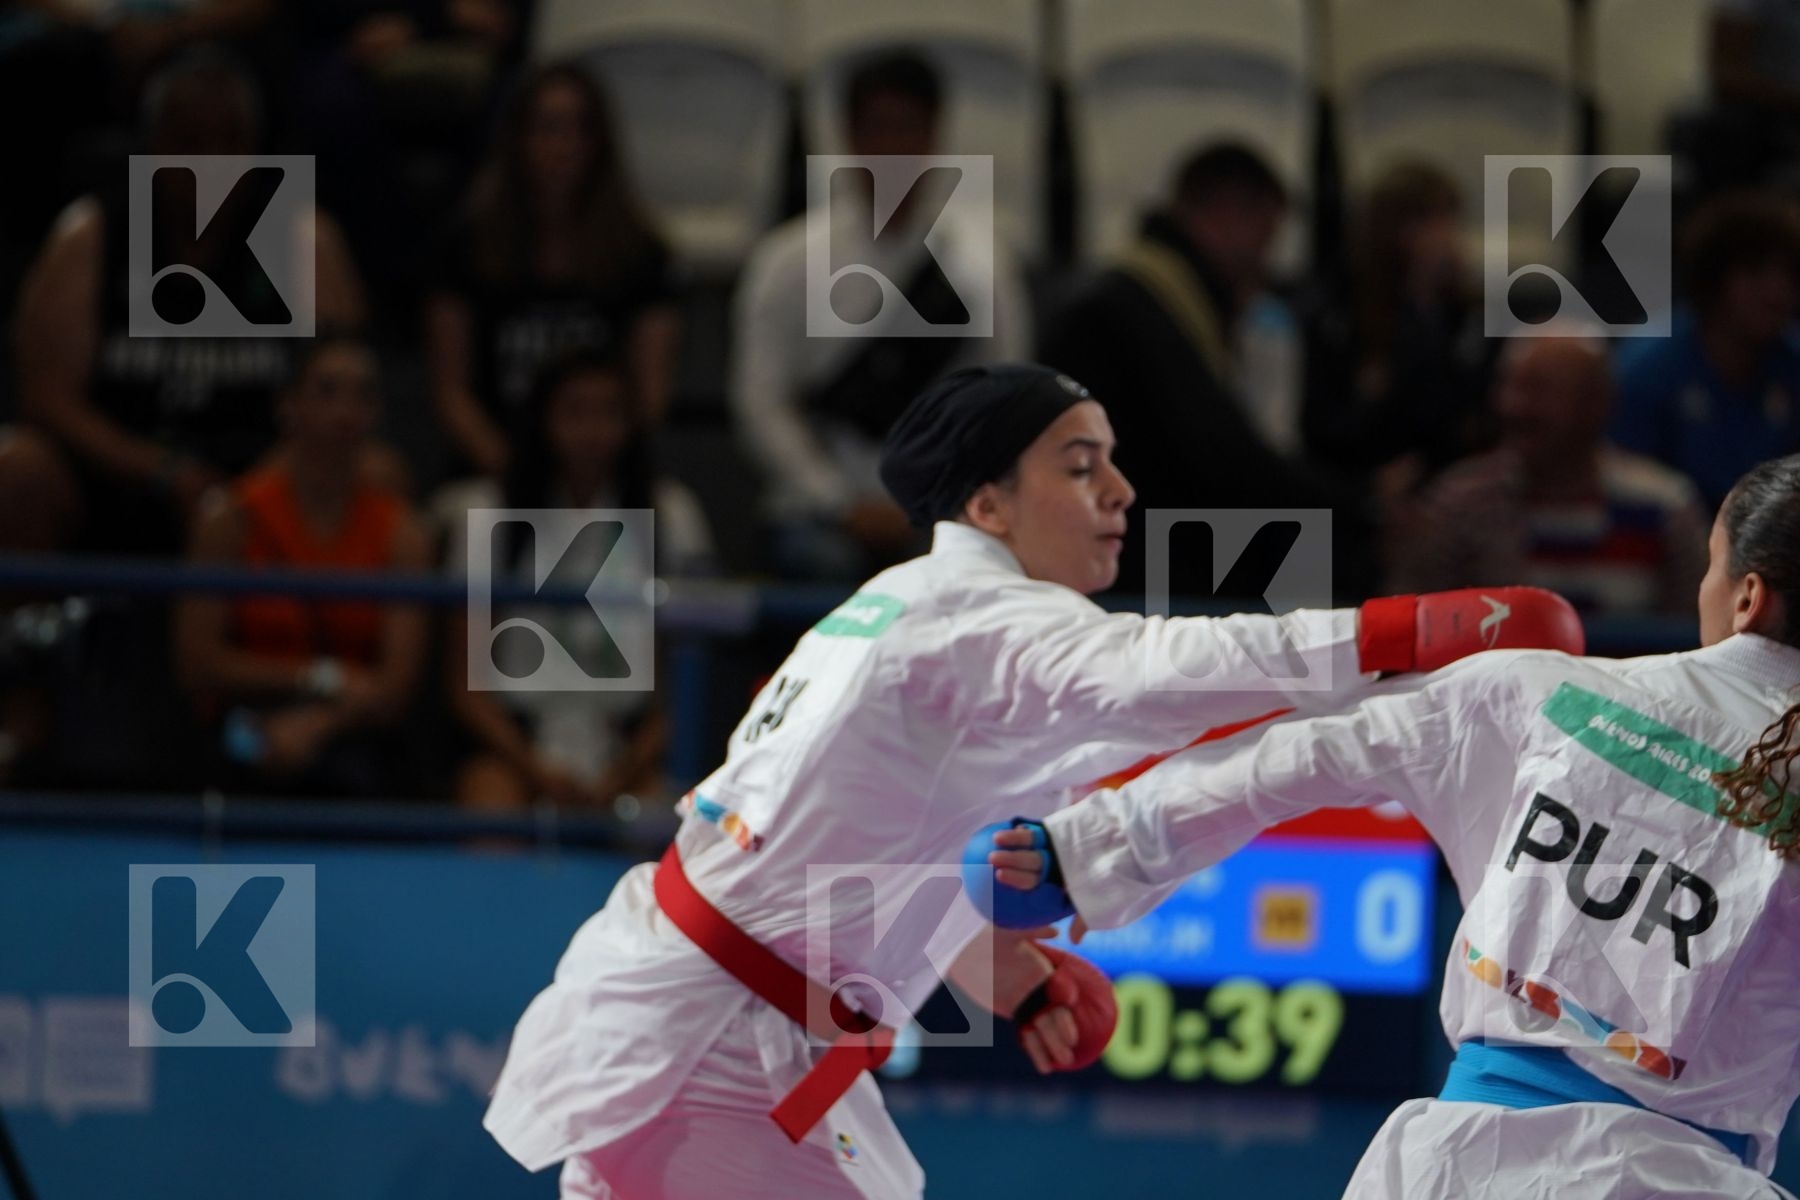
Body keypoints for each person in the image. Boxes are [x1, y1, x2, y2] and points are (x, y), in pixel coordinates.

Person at [482, 363, 1584, 1199]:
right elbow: (1172, 673)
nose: (1120, 488)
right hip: (717, 1044)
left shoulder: (909, 607)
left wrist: (1009, 971)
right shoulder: (975, 614)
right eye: (1078, 464)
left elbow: (853, 849)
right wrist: (1420, 628)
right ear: (988, 504)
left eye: (1111, 459)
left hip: (713, 1022)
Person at [988, 453, 1800, 1198]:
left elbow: (1295, 758)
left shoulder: (1538, 694)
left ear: (1747, 596)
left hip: (1455, 1172)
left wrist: (1083, 848)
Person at [0, 47, 369, 558]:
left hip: (267, 480)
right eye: (189, 142)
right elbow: (45, 397)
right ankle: (23, 635)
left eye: (229, 142)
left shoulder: (302, 236)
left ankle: (322, 637)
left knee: (373, 471)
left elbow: (347, 390)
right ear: (152, 145)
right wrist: (161, 471)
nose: (209, 162)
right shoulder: (93, 233)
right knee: (17, 465)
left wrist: (252, 488)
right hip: (116, 473)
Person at [731, 50, 1032, 583]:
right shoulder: (787, 260)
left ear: (935, 136)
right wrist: (838, 499)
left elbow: (1008, 402)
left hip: (945, 514)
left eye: (908, 129)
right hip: (817, 514)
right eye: (877, 128)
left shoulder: (983, 262)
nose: (892, 148)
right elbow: (761, 402)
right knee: (818, 563)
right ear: (847, 134)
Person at [1039, 142, 1359, 601]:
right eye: (1265, 234)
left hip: (1134, 539)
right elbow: (1224, 457)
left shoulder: (1149, 294)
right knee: (1314, 551)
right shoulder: (1144, 304)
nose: (1265, 261)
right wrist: (1356, 507)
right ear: (1227, 214)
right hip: (1130, 564)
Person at [438, 347, 714, 815]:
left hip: (628, 746)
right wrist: (535, 769)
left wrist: (622, 772)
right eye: (575, 412)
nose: (593, 431)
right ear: (542, 420)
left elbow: (690, 677)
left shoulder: (673, 515)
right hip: (518, 744)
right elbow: (467, 686)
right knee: (490, 807)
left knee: (661, 819)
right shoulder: (487, 516)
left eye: (610, 412)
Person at [174, 334, 428, 798]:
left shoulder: (402, 533)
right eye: (327, 391)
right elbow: (199, 664)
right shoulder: (229, 520)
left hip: (352, 738)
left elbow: (394, 686)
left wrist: (316, 724)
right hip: (243, 729)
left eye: (362, 394)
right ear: (288, 405)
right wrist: (321, 677)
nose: (345, 411)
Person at [425, 61, 679, 480]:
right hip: (493, 477)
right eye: (548, 127)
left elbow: (649, 399)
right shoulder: (465, 248)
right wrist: (519, 477)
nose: (564, 145)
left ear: (601, 143)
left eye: (580, 129)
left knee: (679, 520)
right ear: (517, 138)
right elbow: (452, 395)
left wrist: (587, 474)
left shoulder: (642, 254)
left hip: (605, 479)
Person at [1394, 331, 1709, 617]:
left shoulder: (1665, 508)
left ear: (1596, 404)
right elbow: (1413, 633)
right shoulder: (1457, 506)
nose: (1514, 406)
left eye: (1537, 389)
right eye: (1508, 385)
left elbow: (1696, 641)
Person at [1611, 191, 1800, 513]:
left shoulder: (1792, 363)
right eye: (1755, 273)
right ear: (1714, 278)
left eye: (1791, 275)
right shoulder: (1647, 368)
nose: (1777, 291)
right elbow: (1624, 487)